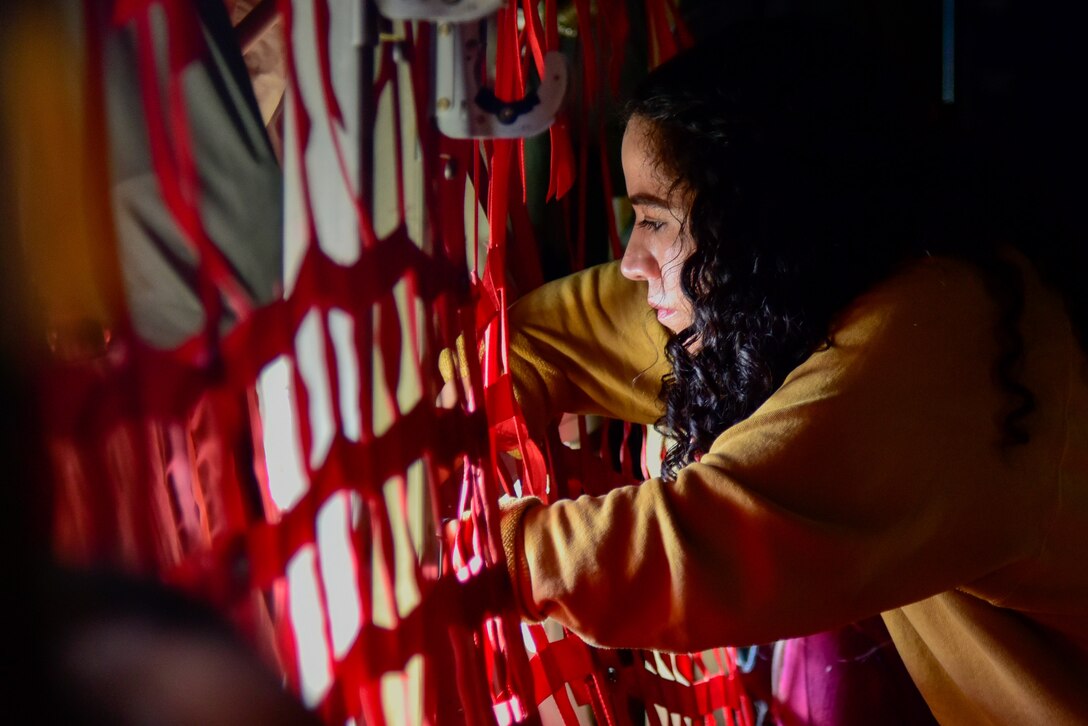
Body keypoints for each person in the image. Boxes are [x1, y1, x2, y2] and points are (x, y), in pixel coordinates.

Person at [493, 20, 1088, 724]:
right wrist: (488, 411)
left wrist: (468, 545)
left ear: (759, 224)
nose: (630, 259)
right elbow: (542, 337)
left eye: (654, 220)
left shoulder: (942, 340)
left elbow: (688, 551)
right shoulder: (801, 291)